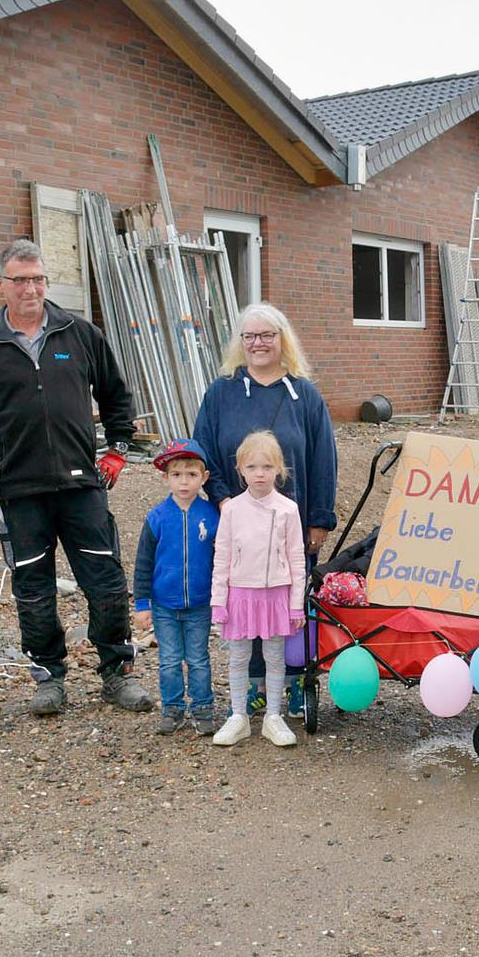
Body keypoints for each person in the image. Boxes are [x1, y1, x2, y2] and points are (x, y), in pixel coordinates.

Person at [0, 239, 149, 716]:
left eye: (38, 278)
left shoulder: (78, 334)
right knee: (33, 590)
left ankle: (116, 670)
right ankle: (49, 677)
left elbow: (118, 396)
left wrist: (119, 450)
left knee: (104, 582)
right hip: (19, 493)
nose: (31, 288)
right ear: (0, 285)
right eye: (20, 279)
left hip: (82, 486)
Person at [193, 303, 337, 718]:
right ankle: (254, 686)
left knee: (290, 599)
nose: (258, 343)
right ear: (241, 343)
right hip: (236, 524)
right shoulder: (221, 393)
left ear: (282, 340)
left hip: (290, 524)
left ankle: (293, 680)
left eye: (267, 336)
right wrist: (223, 499)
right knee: (245, 597)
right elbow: (204, 451)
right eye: (250, 336)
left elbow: (324, 459)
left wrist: (319, 519)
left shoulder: (304, 395)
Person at [209, 431, 306, 749]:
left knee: (274, 658)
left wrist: (295, 605)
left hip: (276, 595)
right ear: (241, 470)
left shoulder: (288, 509)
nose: (260, 473)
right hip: (241, 595)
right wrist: (218, 601)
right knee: (238, 658)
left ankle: (273, 717)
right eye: (252, 467)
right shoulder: (232, 510)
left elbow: (296, 559)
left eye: (267, 466)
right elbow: (221, 557)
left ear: (278, 468)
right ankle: (238, 717)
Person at [133, 438, 221, 735]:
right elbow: (143, 565)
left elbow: (221, 560)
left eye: (192, 474)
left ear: (204, 477)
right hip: (163, 605)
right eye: (177, 474)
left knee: (198, 658)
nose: (184, 482)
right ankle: (172, 707)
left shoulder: (212, 516)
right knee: (169, 660)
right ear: (165, 477)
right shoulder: (156, 518)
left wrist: (222, 597)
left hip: (200, 603)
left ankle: (202, 706)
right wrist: (142, 605)